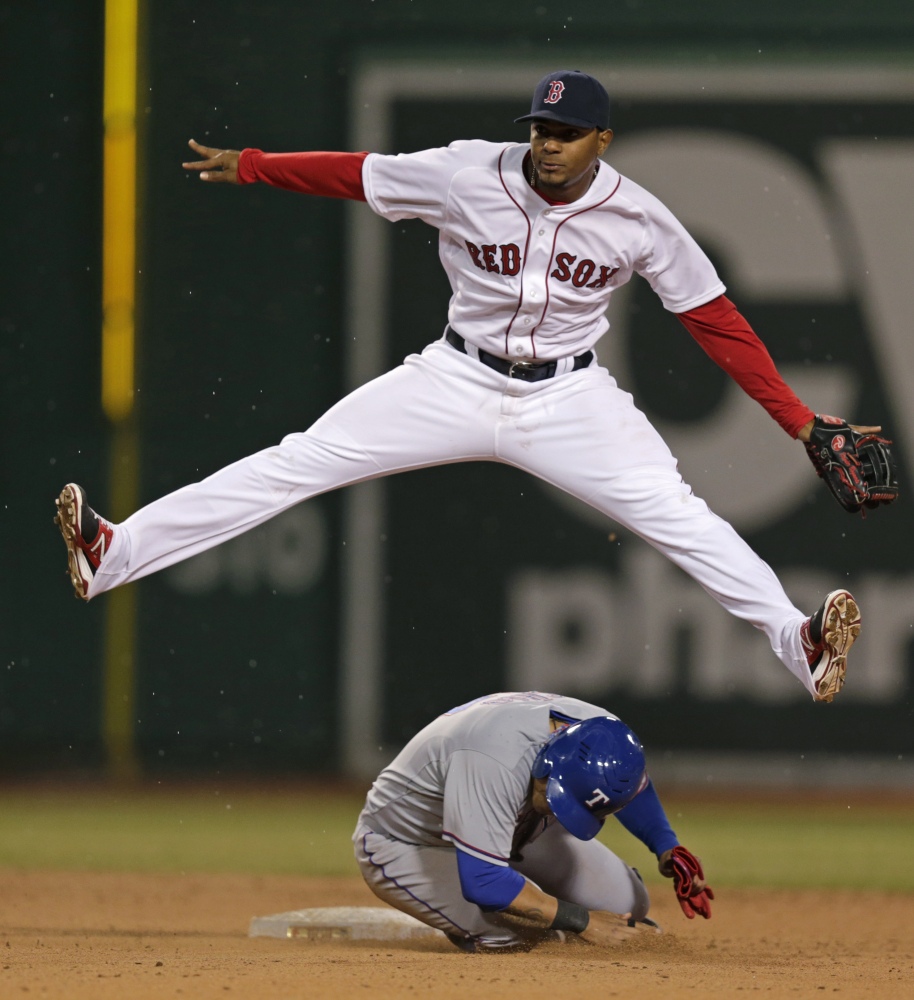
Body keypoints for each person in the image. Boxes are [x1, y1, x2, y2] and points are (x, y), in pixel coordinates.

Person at [56, 69, 870, 701]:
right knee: (296, 462)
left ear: (603, 141)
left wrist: (798, 423)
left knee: (680, 518)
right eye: (541, 128)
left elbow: (714, 319)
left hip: (569, 399)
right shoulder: (465, 174)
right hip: (453, 376)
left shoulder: (642, 219)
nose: (548, 144)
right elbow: (360, 173)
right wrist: (260, 166)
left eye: (568, 132)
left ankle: (800, 648)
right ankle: (115, 551)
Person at [353, 690, 713, 952]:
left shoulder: (600, 733)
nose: (561, 811)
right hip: (407, 843)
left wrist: (667, 845)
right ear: (546, 765)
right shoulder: (490, 757)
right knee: (520, 936)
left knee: (628, 905)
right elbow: (484, 883)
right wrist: (581, 921)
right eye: (561, 800)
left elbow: (633, 784)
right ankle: (468, 928)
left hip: (512, 826)